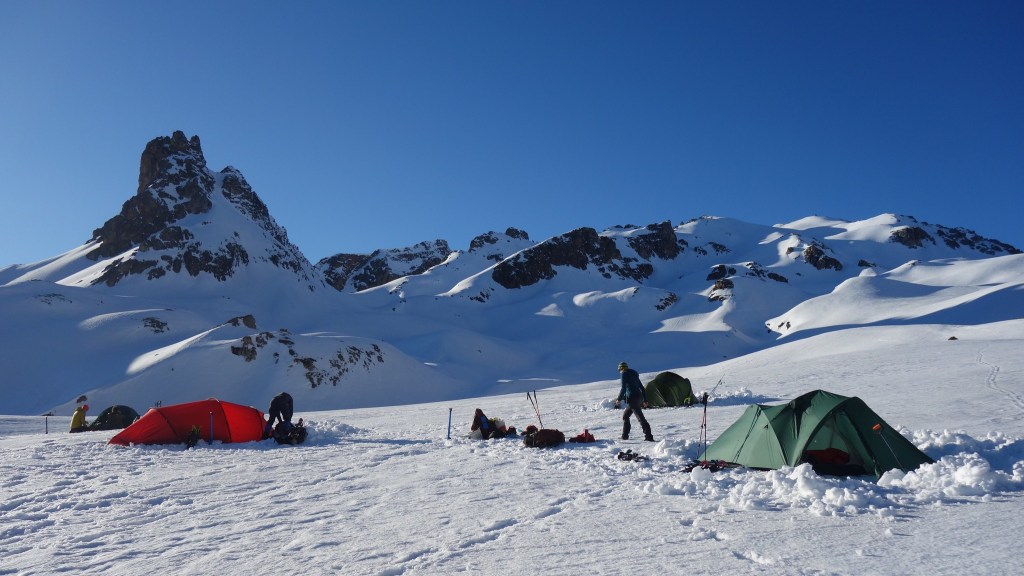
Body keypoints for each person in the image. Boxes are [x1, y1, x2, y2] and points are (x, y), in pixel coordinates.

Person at [614, 362, 654, 442]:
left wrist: (619, 399)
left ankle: (649, 437)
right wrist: (645, 400)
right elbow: (642, 388)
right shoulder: (634, 374)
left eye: (619, 370)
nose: (620, 372)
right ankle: (624, 436)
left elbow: (623, 388)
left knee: (641, 418)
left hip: (633, 398)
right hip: (639, 397)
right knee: (625, 416)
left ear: (621, 369)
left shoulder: (624, 374)